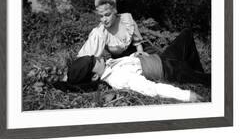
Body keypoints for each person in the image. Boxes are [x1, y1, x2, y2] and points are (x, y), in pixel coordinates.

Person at [64, 28, 210, 101]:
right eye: (92, 62)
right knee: (209, 80)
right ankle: (198, 79)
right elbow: (152, 89)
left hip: (162, 58)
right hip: (169, 69)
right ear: (95, 76)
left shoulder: (108, 64)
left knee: (186, 34)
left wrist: (135, 55)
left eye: (92, 56)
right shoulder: (119, 78)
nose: (96, 57)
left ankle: (195, 72)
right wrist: (186, 95)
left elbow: (126, 62)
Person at [77, 0, 145, 59]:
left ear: (114, 11)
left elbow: (138, 44)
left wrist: (140, 54)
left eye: (107, 15)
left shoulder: (127, 20)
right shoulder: (100, 32)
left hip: (135, 54)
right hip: (119, 61)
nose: (104, 20)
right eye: (101, 16)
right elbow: (89, 55)